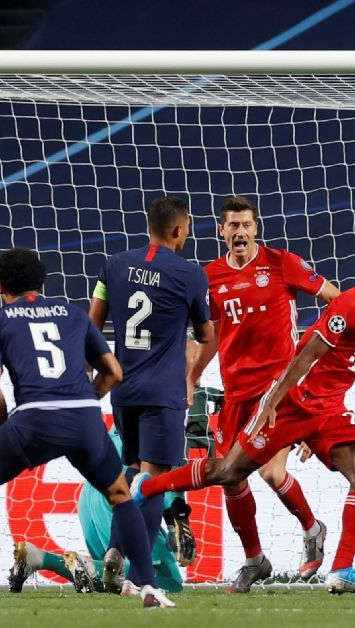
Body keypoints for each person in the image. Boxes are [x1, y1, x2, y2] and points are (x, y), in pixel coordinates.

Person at [133, 229, 355, 597]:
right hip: (292, 403)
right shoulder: (352, 304)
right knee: (228, 471)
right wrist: (272, 402)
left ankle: (342, 569)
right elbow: (306, 355)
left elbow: (340, 371)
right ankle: (149, 486)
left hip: (329, 411)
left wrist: (321, 429)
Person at [0, 250, 170, 608]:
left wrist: (9, 428)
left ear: (1, 288)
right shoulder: (74, 314)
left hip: (33, 422)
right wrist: (84, 402)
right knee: (122, 496)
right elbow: (114, 371)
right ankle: (149, 589)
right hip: (83, 419)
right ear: (42, 284)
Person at [187, 196, 355, 589]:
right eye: (233, 226)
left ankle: (312, 531)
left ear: (256, 228)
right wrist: (192, 375)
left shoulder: (282, 263)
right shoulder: (209, 276)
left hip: (281, 390)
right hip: (237, 393)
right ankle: (257, 557)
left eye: (246, 224)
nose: (240, 232)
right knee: (231, 479)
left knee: (271, 470)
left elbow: (338, 298)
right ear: (222, 231)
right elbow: (209, 335)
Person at [89, 195, 213, 588]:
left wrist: (88, 384)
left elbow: (92, 328)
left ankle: (115, 549)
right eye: (188, 227)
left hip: (123, 391)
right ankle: (142, 578)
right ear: (178, 230)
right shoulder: (190, 274)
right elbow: (206, 334)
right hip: (163, 393)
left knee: (133, 475)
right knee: (157, 482)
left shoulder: (114, 266)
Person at [9, 428, 185, 595]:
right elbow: (162, 472)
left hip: (92, 495)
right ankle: (86, 566)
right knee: (169, 581)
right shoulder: (166, 410)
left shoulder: (129, 404)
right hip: (125, 493)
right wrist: (175, 521)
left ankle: (39, 558)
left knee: (113, 577)